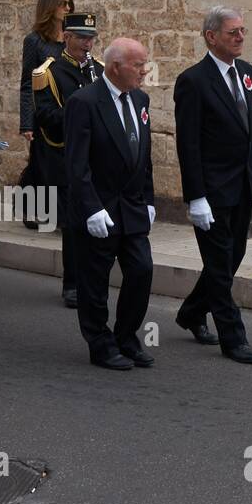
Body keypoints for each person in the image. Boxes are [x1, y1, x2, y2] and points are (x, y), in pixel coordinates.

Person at [173, 6, 252, 364]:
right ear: (211, 37)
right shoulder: (193, 81)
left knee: (232, 257)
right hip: (211, 191)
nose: (240, 37)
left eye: (243, 30)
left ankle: (192, 312)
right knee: (217, 264)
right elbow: (189, 144)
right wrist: (195, 197)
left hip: (241, 185)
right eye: (233, 32)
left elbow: (251, 131)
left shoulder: (246, 73)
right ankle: (234, 338)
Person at [64, 37, 155, 372]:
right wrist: (90, 208)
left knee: (142, 271)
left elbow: (144, 157)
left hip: (131, 207)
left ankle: (126, 335)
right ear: (116, 67)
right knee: (94, 282)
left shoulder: (140, 100)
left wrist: (148, 198)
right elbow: (76, 164)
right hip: (98, 210)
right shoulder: (84, 102)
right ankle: (100, 343)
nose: (144, 71)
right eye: (138, 65)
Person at [32, 11, 103, 308]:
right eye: (82, 38)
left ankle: (95, 279)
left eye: (91, 39)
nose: (87, 45)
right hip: (67, 156)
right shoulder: (48, 72)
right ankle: (72, 283)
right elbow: (47, 118)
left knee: (99, 222)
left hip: (99, 157)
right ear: (66, 37)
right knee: (74, 226)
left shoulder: (100, 69)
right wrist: (83, 110)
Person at [17, 0, 72, 228]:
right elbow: (27, 83)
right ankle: (32, 209)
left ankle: (55, 212)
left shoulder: (71, 38)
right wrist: (27, 122)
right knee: (40, 162)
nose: (68, 8)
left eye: (69, 4)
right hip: (43, 111)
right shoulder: (34, 41)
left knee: (59, 162)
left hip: (64, 108)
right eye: (63, 4)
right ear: (50, 7)